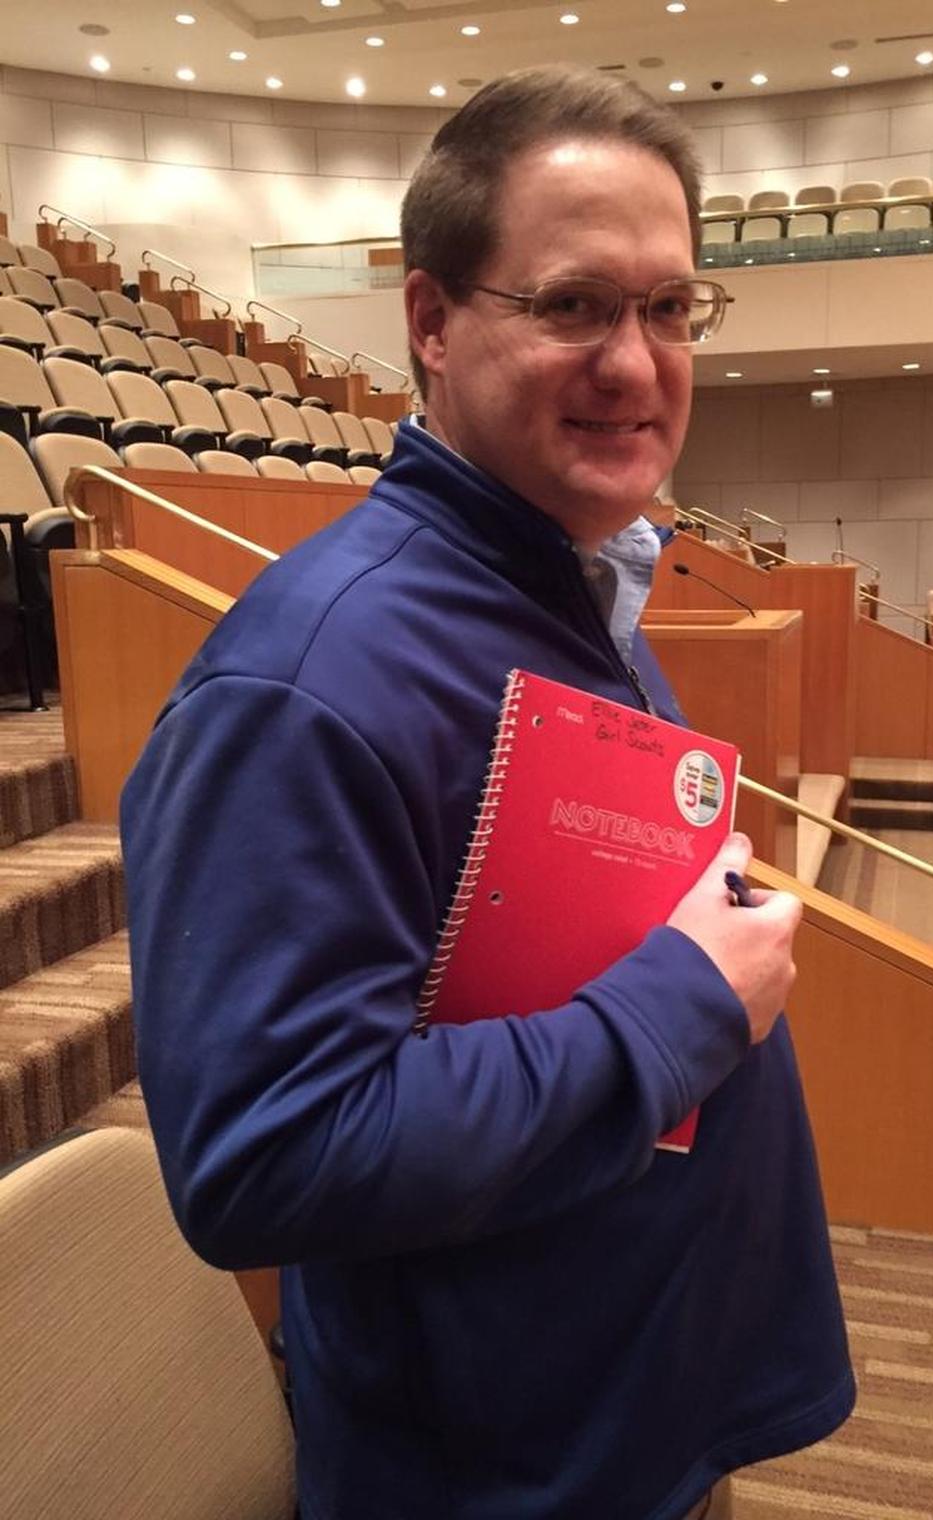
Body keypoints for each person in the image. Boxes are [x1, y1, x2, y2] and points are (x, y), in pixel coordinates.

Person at [121, 65, 854, 1520]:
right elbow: (267, 1156)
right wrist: (686, 1004)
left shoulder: (570, 586)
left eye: (670, 308)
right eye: (574, 304)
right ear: (432, 322)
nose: (637, 364)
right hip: (497, 1474)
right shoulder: (306, 684)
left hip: (617, 1412)